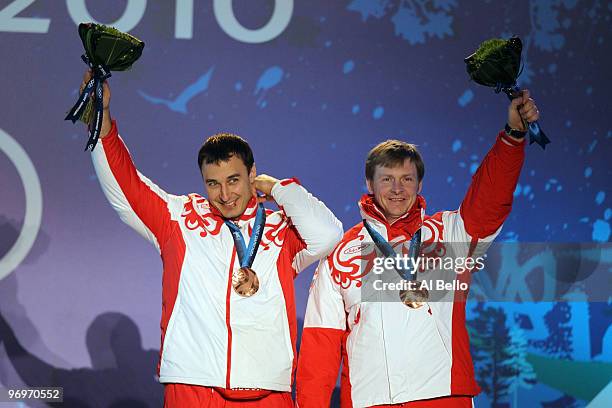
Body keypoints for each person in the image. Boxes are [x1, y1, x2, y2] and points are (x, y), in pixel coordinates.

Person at [78, 70, 343, 407]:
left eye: (234, 180)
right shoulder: (179, 218)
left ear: (251, 174)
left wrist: (278, 187)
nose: (225, 194)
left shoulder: (282, 230)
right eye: (213, 183)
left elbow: (329, 234)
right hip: (193, 385)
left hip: (267, 389)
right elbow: (124, 186)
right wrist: (102, 120)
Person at [296, 91, 540, 407]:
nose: (397, 189)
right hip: (372, 400)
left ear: (419, 185)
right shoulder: (341, 254)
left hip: (442, 396)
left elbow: (490, 198)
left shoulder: (450, 234)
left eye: (406, 179)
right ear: (369, 185)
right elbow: (320, 345)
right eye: (387, 179)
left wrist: (513, 136)